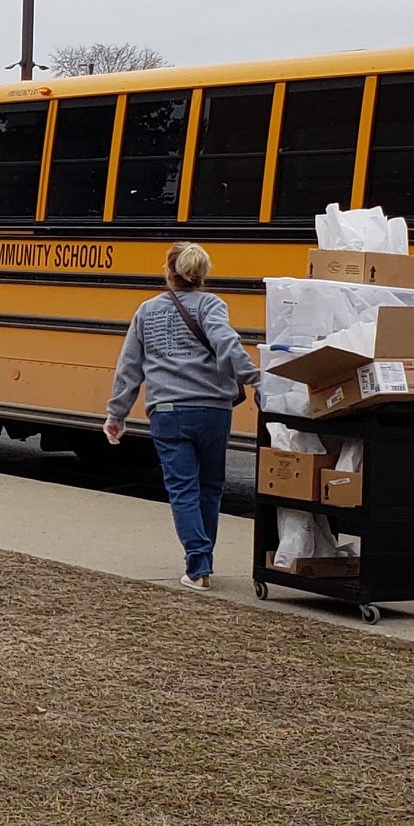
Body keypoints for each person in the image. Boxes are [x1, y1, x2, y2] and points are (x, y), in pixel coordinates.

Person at [102, 242, 258, 589]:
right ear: (202, 275)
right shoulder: (212, 306)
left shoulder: (147, 311)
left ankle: (198, 566)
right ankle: (203, 561)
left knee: (182, 488)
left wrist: (117, 414)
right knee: (210, 486)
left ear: (169, 272)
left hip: (168, 412)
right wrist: (255, 378)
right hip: (213, 411)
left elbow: (130, 368)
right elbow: (228, 345)